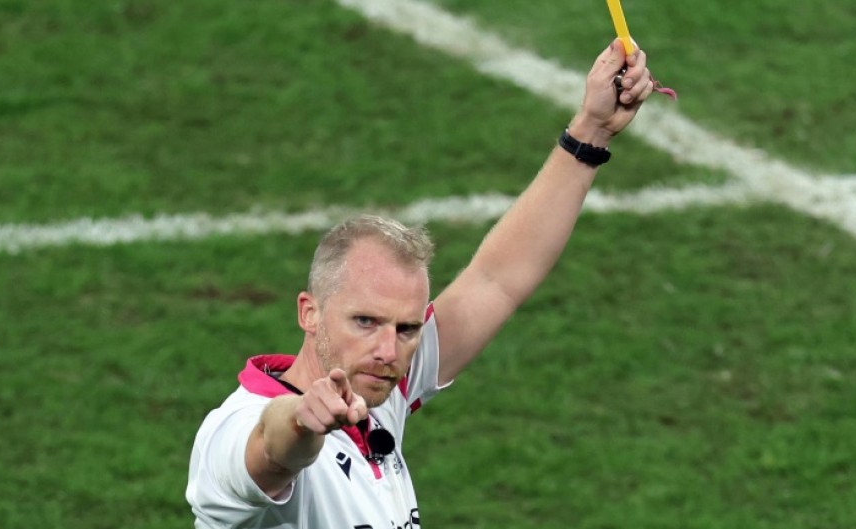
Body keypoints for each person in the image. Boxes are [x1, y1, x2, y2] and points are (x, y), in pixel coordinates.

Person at [187, 39, 658, 528]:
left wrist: (593, 130)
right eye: (365, 321)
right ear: (309, 311)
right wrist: (304, 422)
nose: (389, 350)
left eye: (407, 328)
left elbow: (496, 280)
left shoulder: (379, 391)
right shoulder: (232, 431)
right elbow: (271, 448)